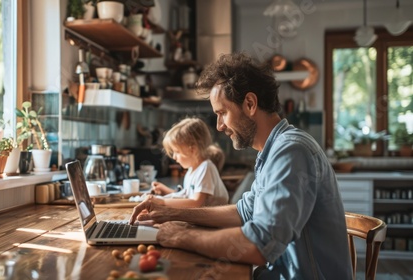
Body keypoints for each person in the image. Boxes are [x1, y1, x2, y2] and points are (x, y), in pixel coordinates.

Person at [130, 53, 352, 279]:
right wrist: (172, 213)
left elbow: (258, 245)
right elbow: (244, 212)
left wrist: (180, 236)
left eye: (222, 113)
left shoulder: (291, 151)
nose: (219, 126)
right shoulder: (273, 150)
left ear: (250, 104)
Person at [150, 117, 229, 207]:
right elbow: (187, 197)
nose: (174, 157)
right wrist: (165, 191)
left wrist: (162, 202)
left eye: (177, 152)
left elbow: (196, 202)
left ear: (193, 149)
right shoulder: (192, 170)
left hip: (215, 220)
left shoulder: (206, 168)